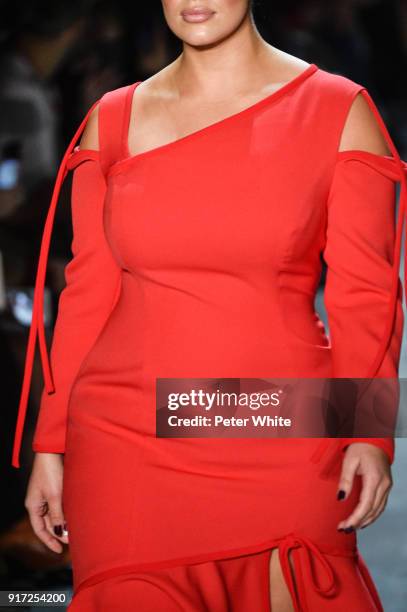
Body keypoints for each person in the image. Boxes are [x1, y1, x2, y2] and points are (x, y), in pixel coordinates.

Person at [12, 1, 407, 610]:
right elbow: (87, 295)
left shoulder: (336, 110)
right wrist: (51, 444)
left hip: (279, 421)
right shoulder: (112, 119)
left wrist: (369, 432)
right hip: (125, 438)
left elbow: (368, 295)